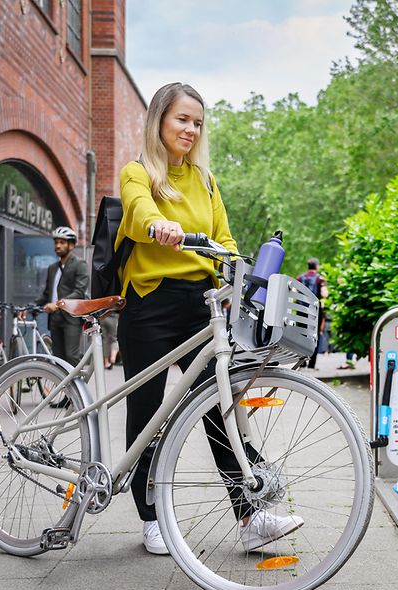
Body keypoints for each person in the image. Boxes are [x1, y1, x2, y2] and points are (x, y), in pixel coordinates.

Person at [116, 82, 304, 555]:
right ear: (160, 119)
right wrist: (161, 225)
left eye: (197, 122)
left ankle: (250, 516)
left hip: (200, 304)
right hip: (150, 303)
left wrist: (238, 271)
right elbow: (138, 214)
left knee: (219, 405)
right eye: (182, 119)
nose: (190, 129)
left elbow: (225, 239)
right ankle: (151, 515)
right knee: (149, 415)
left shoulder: (205, 181)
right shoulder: (138, 172)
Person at [35, 226, 89, 375]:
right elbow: (47, 294)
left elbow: (79, 292)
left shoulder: (80, 264)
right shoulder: (52, 268)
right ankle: (65, 396)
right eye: (56, 242)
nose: (58, 245)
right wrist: (29, 306)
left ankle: (79, 393)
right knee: (58, 358)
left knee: (71, 356)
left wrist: (58, 305)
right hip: (55, 319)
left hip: (70, 317)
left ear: (71, 245)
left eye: (62, 242)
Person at [296, 258, 327, 369]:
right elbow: (325, 294)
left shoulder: (299, 278)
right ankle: (312, 364)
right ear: (317, 266)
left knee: (302, 334)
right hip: (315, 311)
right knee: (315, 335)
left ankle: (302, 362)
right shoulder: (320, 279)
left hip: (301, 310)